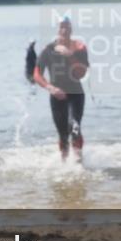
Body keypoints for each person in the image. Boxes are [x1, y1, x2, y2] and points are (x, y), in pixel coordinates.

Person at [33, 17, 89, 161]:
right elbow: (37, 74)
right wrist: (50, 87)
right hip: (57, 96)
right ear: (57, 30)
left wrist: (70, 55)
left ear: (71, 29)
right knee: (63, 135)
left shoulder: (80, 48)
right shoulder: (48, 49)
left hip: (76, 94)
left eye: (67, 27)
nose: (64, 30)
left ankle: (79, 162)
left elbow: (81, 73)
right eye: (61, 27)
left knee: (75, 127)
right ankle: (64, 163)